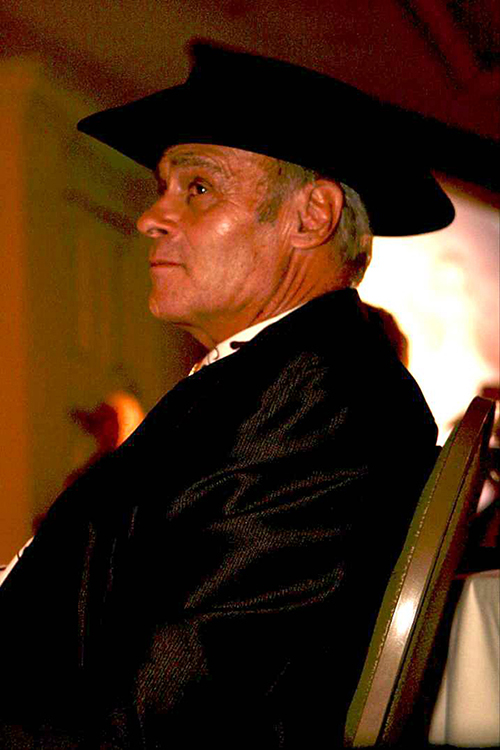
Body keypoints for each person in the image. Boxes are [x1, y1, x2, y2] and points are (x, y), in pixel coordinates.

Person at [0, 42, 454, 749]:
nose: (151, 218)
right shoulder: (262, 382)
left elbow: (168, 716)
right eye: (163, 188)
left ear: (310, 217)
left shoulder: (324, 397)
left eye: (199, 188)